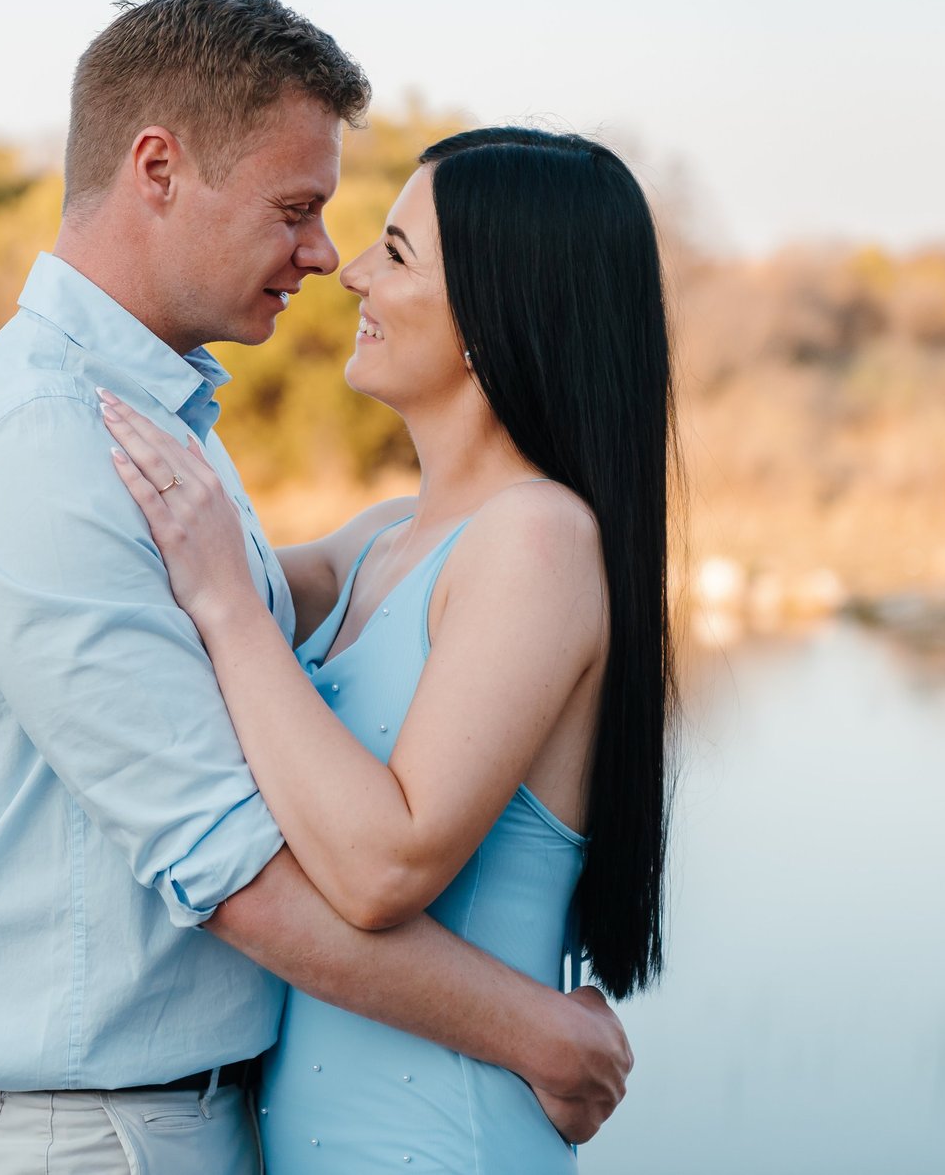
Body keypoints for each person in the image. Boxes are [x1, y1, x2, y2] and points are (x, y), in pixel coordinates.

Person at [0, 0, 631, 1175]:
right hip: (79, 1133)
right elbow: (233, 870)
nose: (334, 260)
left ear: (501, 309)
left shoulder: (162, 428)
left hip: (224, 1120)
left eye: (376, 239)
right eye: (300, 209)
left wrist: (233, 592)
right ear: (158, 168)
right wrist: (532, 1027)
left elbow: (267, 626)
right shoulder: (48, 450)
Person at [101, 124, 675, 1172]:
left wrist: (230, 602)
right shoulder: (378, 542)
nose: (353, 273)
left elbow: (382, 865)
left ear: (500, 315)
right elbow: (150, 577)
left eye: (399, 254)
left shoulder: (537, 539)